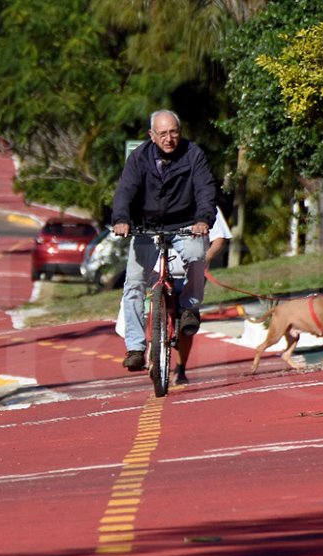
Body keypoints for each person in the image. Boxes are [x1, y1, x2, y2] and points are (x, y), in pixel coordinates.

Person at [112, 109, 218, 377]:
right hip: (147, 228)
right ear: (152, 135)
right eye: (163, 134)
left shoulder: (193, 154)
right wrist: (122, 219)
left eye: (174, 132)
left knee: (196, 256)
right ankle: (135, 348)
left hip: (185, 226)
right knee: (134, 283)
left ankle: (189, 308)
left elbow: (206, 190)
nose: (169, 138)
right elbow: (125, 190)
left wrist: (203, 219)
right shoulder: (139, 158)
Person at [174, 208, 232, 384]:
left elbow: (219, 238)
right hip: (160, 272)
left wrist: (205, 258)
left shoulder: (205, 202)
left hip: (191, 273)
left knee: (187, 318)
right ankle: (153, 352)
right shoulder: (155, 198)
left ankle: (180, 368)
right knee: (151, 310)